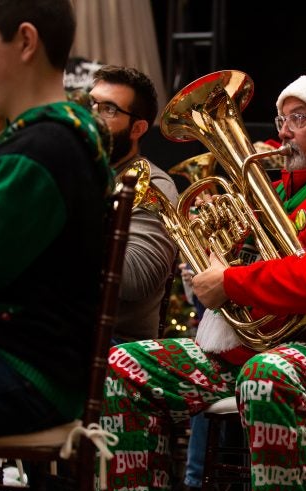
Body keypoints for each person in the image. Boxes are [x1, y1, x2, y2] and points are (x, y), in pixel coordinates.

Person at [96, 74, 306, 491]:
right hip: (268, 348)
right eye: (281, 118)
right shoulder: (279, 193)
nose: (283, 129)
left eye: (299, 118)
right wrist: (220, 241)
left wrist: (232, 281)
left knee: (269, 374)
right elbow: (252, 269)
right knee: (121, 365)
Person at [0, 0, 112, 442]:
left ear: (26, 41)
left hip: (23, 369)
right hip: (0, 357)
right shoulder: (41, 139)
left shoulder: (42, 151)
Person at [89, 65, 178, 342]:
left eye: (109, 109)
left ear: (137, 128)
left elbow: (136, 279)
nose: (92, 116)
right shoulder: (73, 168)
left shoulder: (154, 186)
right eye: (91, 103)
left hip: (113, 342)